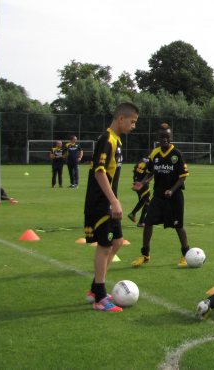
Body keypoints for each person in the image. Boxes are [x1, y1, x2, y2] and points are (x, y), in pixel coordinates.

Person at [83, 102, 139, 312]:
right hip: (100, 203)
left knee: (118, 241)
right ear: (120, 118)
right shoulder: (107, 140)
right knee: (105, 245)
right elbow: (99, 172)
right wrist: (113, 200)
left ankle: (95, 288)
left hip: (109, 201)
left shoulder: (117, 141)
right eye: (132, 122)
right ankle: (99, 297)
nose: (133, 126)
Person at [132, 124, 193, 268]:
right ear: (158, 138)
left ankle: (185, 255)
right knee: (148, 223)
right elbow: (151, 172)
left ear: (171, 138)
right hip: (158, 195)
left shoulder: (176, 154)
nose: (165, 139)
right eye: (162, 137)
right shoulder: (155, 153)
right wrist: (143, 182)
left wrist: (172, 190)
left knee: (179, 226)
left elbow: (183, 177)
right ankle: (145, 255)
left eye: (167, 137)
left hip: (175, 196)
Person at [127, 155, 151, 227]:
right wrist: (144, 182)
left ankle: (133, 214)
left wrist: (135, 180)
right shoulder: (152, 161)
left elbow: (134, 169)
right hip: (142, 183)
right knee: (148, 202)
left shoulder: (143, 159)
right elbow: (151, 173)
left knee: (143, 200)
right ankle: (141, 221)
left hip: (136, 181)